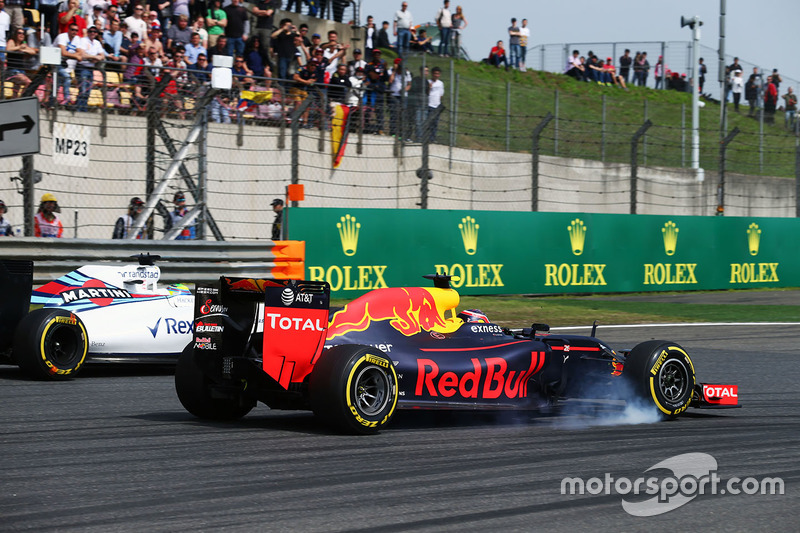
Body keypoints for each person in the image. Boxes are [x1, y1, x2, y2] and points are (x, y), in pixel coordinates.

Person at [76, 26, 105, 112]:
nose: (93, 33)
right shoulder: (83, 40)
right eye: (91, 31)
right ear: (88, 32)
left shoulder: (97, 43)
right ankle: (79, 108)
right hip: (82, 67)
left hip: (91, 68)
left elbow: (102, 55)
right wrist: (95, 57)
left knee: (88, 90)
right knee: (83, 89)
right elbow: (82, 54)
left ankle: (83, 108)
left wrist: (95, 58)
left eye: (95, 32)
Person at [53, 23, 83, 106]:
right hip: (54, 62)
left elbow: (80, 51)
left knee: (58, 83)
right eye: (72, 29)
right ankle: (67, 99)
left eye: (76, 30)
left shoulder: (77, 39)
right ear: (68, 30)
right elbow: (63, 52)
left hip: (64, 64)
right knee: (67, 78)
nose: (74, 32)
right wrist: (76, 56)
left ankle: (52, 102)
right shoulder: (62, 37)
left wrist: (76, 55)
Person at [5, 27, 37, 98]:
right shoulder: (12, 41)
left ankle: (14, 102)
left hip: (21, 71)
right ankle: (21, 99)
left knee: (16, 89)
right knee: (28, 82)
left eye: (23, 33)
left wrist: (24, 50)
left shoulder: (23, 44)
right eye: (19, 33)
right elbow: (8, 49)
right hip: (12, 71)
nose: (21, 35)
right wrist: (19, 48)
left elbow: (33, 51)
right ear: (15, 34)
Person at [427, 66, 444, 142]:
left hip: (436, 105)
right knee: (428, 122)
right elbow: (426, 93)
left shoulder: (440, 83)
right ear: (432, 74)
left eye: (438, 74)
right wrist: (429, 88)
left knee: (435, 123)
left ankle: (432, 138)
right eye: (435, 73)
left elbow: (441, 94)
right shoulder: (428, 82)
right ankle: (426, 137)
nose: (436, 75)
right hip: (429, 104)